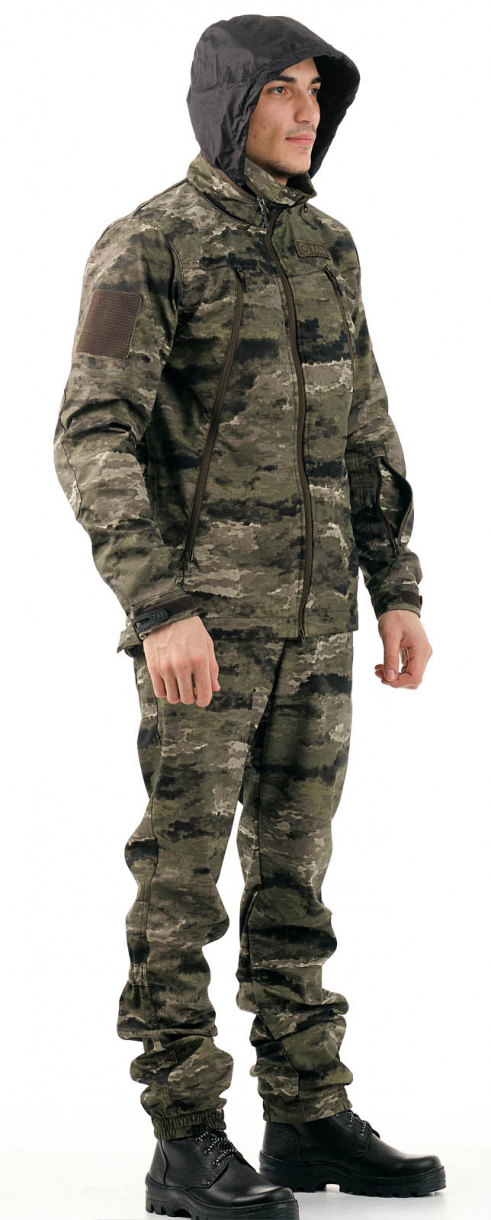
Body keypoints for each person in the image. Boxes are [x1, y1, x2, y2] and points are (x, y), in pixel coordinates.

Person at [53, 13, 446, 1217]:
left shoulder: (327, 246)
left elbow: (364, 428)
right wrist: (158, 604)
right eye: (278, 89)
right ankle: (184, 1140)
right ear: (228, 101)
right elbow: (92, 434)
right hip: (202, 631)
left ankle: (305, 1111)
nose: (305, 110)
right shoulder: (151, 242)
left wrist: (394, 587)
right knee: (180, 883)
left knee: (295, 877)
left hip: (316, 627)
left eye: (315, 89)